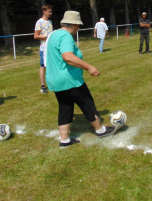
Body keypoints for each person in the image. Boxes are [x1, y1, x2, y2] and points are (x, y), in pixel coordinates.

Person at [45, 11, 117, 148]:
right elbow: (68, 57)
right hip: (69, 80)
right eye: (78, 25)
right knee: (87, 103)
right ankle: (100, 130)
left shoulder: (53, 34)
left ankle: (64, 140)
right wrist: (89, 67)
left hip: (55, 80)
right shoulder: (65, 36)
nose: (78, 28)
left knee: (65, 107)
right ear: (72, 24)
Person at [34, 4, 53, 93]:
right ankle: (43, 86)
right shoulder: (39, 22)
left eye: (51, 11)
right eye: (49, 11)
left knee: (51, 65)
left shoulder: (50, 22)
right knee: (43, 66)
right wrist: (46, 37)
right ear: (44, 11)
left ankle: (52, 83)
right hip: (43, 48)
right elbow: (35, 36)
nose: (51, 13)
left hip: (51, 47)